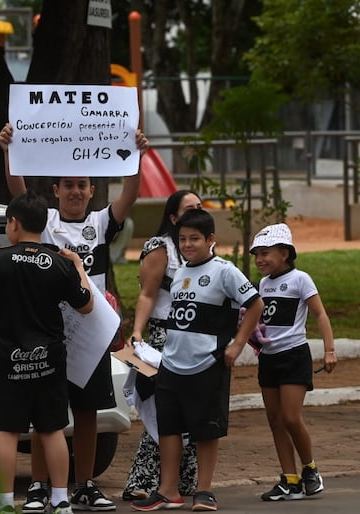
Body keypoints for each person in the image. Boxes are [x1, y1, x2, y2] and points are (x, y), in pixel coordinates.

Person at [0, 122, 148, 513]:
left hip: (91, 333)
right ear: (56, 191)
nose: (76, 191)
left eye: (83, 184)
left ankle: (84, 485)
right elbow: (17, 190)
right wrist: (8, 151)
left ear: (92, 190)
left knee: (87, 412)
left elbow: (130, 195)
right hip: (49, 332)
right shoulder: (43, 220)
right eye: (69, 185)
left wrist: (138, 155)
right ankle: (38, 486)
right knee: (45, 416)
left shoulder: (100, 223)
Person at [0, 190, 94, 514]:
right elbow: (86, 305)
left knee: (7, 432)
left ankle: (5, 503)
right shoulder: (57, 262)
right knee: (52, 429)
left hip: (7, 358)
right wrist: (78, 264)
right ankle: (61, 499)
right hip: (49, 359)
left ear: (13, 223)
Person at [132, 208, 264, 512]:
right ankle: (169, 491)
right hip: (172, 364)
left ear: (211, 239)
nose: (188, 244)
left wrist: (237, 344)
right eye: (182, 239)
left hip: (207, 364)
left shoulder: (225, 271)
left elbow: (256, 305)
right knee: (168, 428)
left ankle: (204, 491)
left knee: (207, 430)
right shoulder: (179, 273)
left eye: (195, 239)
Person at [122, 191, 203, 501]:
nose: (196, 211)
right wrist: (138, 333)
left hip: (194, 339)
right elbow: (147, 294)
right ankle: (141, 482)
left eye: (199, 207)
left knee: (191, 412)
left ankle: (184, 481)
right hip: (161, 339)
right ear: (172, 218)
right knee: (162, 413)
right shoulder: (161, 249)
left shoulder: (202, 249)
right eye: (188, 209)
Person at [248, 223, 337, 502]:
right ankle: (290, 480)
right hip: (269, 358)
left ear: (285, 253)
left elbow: (320, 315)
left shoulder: (301, 279)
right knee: (274, 420)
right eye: (257, 255)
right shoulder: (263, 284)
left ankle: (310, 469)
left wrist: (330, 350)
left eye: (265, 253)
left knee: (290, 416)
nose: (260, 260)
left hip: (293, 355)